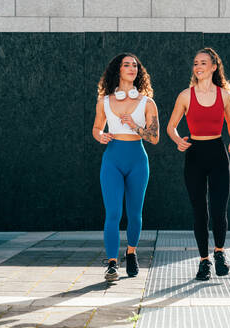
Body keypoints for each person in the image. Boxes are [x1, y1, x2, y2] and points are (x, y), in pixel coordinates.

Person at [167, 48, 230, 281]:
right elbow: (171, 127)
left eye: (203, 63)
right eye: (195, 63)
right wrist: (178, 140)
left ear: (213, 67)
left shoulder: (225, 96)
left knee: (219, 210)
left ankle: (219, 253)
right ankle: (203, 262)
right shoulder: (185, 96)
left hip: (218, 153)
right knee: (200, 212)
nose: (198, 67)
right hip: (195, 155)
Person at [92, 53, 159, 282]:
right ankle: (112, 263)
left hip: (137, 161)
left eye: (135, 65)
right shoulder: (104, 101)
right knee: (113, 213)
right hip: (112, 160)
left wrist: (134, 125)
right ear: (117, 70)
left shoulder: (147, 103)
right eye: (126, 64)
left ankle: (131, 252)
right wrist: (100, 135)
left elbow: (155, 138)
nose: (132, 68)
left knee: (134, 213)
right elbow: (96, 128)